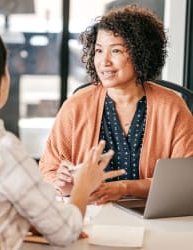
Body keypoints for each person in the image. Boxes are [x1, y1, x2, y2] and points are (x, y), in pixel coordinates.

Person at [0, 28, 125, 250]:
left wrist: (32, 220)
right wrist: (83, 185)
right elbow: (66, 232)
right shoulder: (3, 151)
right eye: (5, 70)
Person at [39, 4, 193, 204]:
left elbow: (186, 179)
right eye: (99, 51)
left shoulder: (172, 107)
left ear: (140, 53)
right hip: (89, 214)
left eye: (116, 51)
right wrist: (65, 186)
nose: (104, 61)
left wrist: (125, 188)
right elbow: (48, 171)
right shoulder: (76, 106)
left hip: (150, 217)